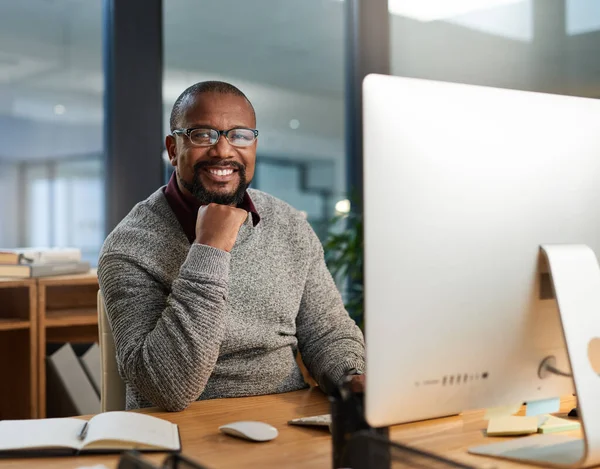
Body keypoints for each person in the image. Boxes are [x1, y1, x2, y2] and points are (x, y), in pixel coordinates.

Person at [98, 81, 365, 411]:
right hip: (185, 431)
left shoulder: (289, 224)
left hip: (285, 422)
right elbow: (167, 388)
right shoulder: (129, 247)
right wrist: (210, 248)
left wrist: (352, 380)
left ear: (254, 145)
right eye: (201, 135)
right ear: (172, 148)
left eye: (239, 135)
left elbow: (327, 332)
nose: (223, 151)